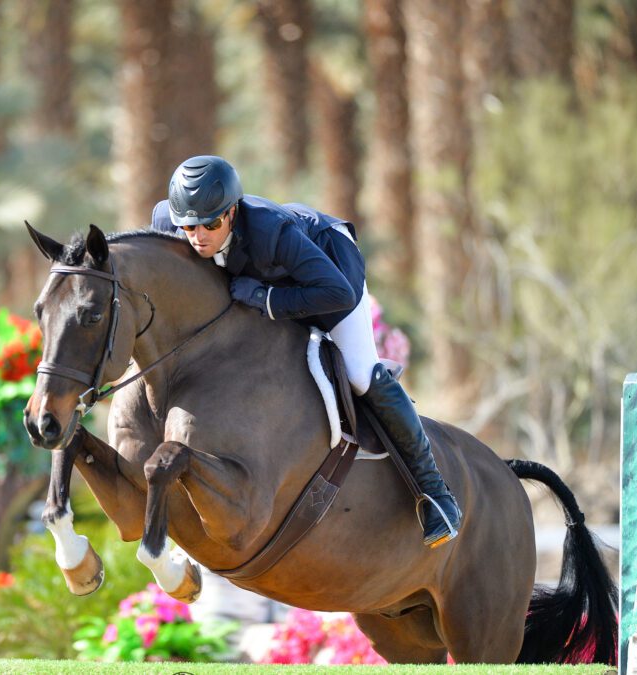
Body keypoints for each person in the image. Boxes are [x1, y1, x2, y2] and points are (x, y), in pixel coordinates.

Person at [151, 155, 461, 548]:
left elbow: (336, 293)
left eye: (210, 224)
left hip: (330, 269)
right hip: (270, 280)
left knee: (360, 373)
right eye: (189, 226)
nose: (197, 236)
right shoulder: (169, 222)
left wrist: (265, 298)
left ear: (231, 213)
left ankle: (435, 494)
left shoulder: (270, 232)